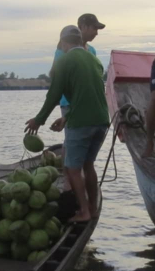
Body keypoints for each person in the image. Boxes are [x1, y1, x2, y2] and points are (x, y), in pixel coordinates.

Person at [26, 25, 110, 223]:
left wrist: (39, 120)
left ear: (64, 43)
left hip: (81, 123)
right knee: (88, 165)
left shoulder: (64, 61)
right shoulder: (95, 60)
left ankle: (83, 211)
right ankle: (92, 207)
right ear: (80, 41)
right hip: (102, 121)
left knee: (72, 168)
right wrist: (66, 117)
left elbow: (54, 94)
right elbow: (88, 95)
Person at [50, 13, 104, 130]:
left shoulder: (92, 51)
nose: (96, 33)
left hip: (89, 104)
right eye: (94, 28)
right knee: (73, 136)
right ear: (83, 27)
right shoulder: (63, 50)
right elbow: (54, 75)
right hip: (70, 104)